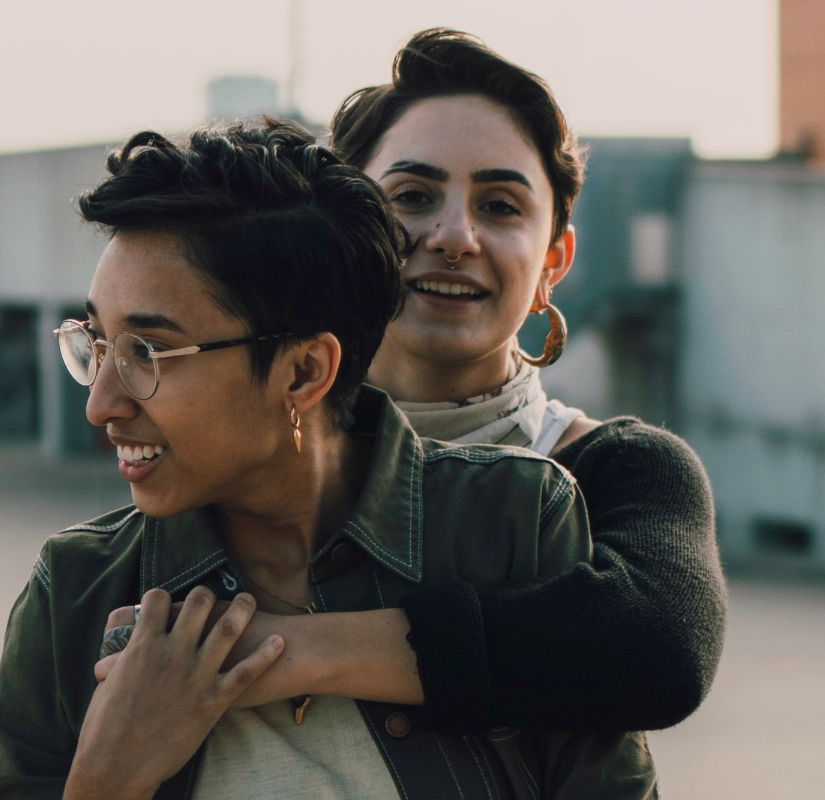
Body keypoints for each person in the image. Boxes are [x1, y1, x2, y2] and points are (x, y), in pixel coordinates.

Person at [0, 119, 656, 798]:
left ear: (303, 373)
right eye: (97, 341)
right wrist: (106, 777)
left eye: (148, 353)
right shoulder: (77, 592)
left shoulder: (512, 524)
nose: (101, 403)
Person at [99, 28, 726, 735]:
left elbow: (658, 649)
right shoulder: (229, 462)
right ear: (348, 231)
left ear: (554, 259)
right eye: (413, 195)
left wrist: (280, 648)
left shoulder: (614, 469)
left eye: (500, 206)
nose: (455, 236)